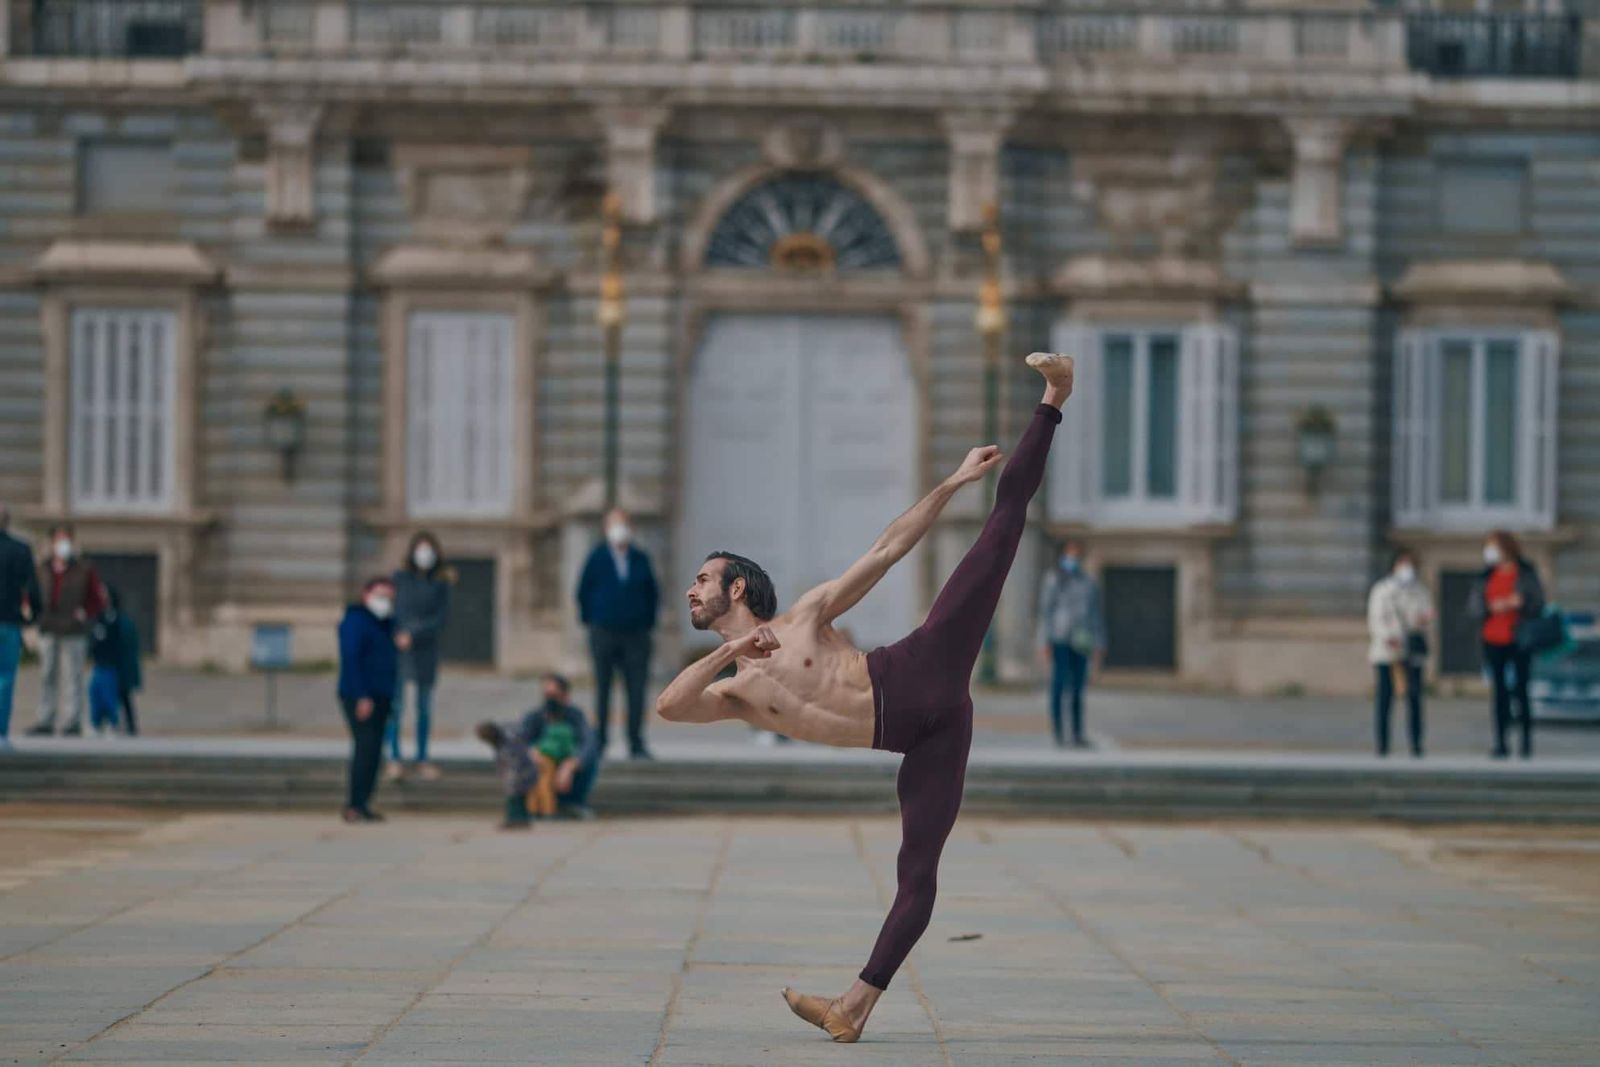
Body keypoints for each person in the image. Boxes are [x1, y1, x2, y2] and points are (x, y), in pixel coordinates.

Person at [656, 351, 1074, 1043]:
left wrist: (953, 481)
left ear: (736, 588)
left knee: (1001, 525)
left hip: (920, 668)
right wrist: (730, 653)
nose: (691, 589)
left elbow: (884, 551)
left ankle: (1053, 398)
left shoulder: (803, 618)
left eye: (702, 579)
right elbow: (669, 707)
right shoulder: (737, 692)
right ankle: (853, 1007)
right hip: (927, 735)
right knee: (918, 874)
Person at [575, 508, 660, 760]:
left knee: (636, 689)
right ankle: (600, 740)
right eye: (614, 524)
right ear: (605, 529)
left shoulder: (640, 558)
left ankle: (635, 741)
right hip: (604, 632)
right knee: (603, 687)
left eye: (623, 524)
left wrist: (646, 623)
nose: (619, 529)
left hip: (636, 634)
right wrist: (593, 621)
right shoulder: (597, 557)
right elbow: (582, 592)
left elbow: (652, 593)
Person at [1468, 530, 1545, 760]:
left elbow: (1539, 603)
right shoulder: (1486, 576)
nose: (1490, 552)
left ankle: (1525, 742)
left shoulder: (1526, 573)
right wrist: (1492, 607)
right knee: (1499, 692)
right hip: (1493, 638)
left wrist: (1519, 602)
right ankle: (1500, 742)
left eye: (1493, 546)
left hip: (1520, 638)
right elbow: (1474, 607)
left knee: (1521, 691)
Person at [27, 524, 105, 738]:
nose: (63, 545)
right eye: (59, 540)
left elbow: (98, 599)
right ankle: (46, 719)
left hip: (74, 629)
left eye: (67, 540)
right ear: (51, 543)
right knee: (47, 675)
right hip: (48, 626)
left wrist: (84, 612)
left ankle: (72, 721)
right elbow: (31, 593)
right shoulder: (41, 568)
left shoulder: (84, 569)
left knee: (73, 676)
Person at [387, 532, 451, 782]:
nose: (425, 554)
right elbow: (393, 609)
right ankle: (394, 758)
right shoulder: (400, 579)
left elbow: (441, 618)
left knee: (423, 707)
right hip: (399, 649)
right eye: (421, 549)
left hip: (425, 649)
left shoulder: (440, 583)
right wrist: (397, 634)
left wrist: (414, 634)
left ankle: (422, 758)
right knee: (396, 707)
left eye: (430, 549)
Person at [337, 577, 399, 823]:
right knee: (364, 748)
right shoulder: (355, 621)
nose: (385, 602)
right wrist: (362, 695)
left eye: (389, 597)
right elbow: (351, 659)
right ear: (366, 594)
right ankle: (353, 803)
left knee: (374, 751)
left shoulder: (386, 623)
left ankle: (364, 803)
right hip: (360, 695)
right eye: (380, 595)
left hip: (382, 695)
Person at [1036, 540, 1105, 748]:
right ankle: (1058, 732)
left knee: (1077, 688)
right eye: (1070, 554)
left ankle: (1077, 733)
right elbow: (1045, 612)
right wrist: (1044, 641)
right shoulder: (1053, 580)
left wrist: (1099, 642)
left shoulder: (1088, 582)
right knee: (1058, 686)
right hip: (1059, 638)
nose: (1073, 558)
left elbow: (1095, 614)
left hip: (1081, 640)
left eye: (1077, 554)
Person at [1366, 549, 1432, 758]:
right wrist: (1390, 637)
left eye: (1410, 564)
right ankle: (1382, 744)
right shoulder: (1382, 590)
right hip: (1387, 653)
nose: (1407, 569)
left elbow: (1424, 616)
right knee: (1385, 699)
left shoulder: (1420, 591)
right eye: (1403, 563)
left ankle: (1416, 744)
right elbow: (1376, 619)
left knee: (1414, 698)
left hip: (1411, 653)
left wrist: (1421, 620)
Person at [519, 673, 600, 819]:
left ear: (565, 695)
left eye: (554, 695)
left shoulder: (575, 715)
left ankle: (572, 803)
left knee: (592, 754)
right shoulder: (535, 716)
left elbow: (588, 742)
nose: (550, 700)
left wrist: (571, 764)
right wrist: (531, 752)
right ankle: (532, 807)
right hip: (540, 766)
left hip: (567, 767)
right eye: (547, 695)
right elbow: (520, 740)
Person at [0, 504, 43, 749]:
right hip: (9, 622)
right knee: (5, 678)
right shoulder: (21, 550)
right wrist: (32, 616)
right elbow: (33, 588)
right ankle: (1, 734)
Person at [87, 586, 142, 738]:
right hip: (101, 665)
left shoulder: (120, 621)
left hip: (114, 666)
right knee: (98, 694)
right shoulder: (99, 618)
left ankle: (121, 725)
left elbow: (126, 648)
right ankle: (99, 723)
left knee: (118, 697)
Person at [475, 719, 539, 829]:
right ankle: (519, 819)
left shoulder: (508, 739)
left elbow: (516, 758)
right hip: (520, 767)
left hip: (523, 768)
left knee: (515, 793)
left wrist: (509, 774)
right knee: (517, 794)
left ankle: (516, 819)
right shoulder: (502, 736)